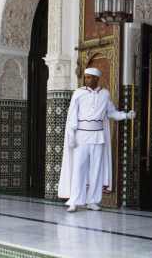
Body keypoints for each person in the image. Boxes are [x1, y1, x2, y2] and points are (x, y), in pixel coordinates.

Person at [57, 67, 135, 212]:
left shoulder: (105, 94)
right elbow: (72, 115)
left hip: (98, 137)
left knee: (96, 169)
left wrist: (126, 115)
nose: (86, 80)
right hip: (81, 137)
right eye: (85, 77)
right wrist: (71, 136)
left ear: (96, 79)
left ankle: (92, 201)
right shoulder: (78, 93)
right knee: (78, 169)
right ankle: (74, 201)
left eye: (89, 77)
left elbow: (111, 113)